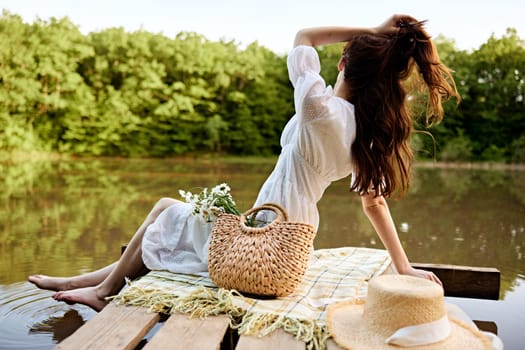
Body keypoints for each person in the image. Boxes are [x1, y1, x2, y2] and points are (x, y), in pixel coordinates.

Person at [28, 14, 459, 311]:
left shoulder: (318, 108)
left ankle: (101, 290)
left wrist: (372, 29)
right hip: (291, 252)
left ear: (344, 62)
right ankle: (76, 282)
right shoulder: (367, 133)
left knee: (165, 208)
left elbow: (304, 37)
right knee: (177, 229)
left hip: (262, 242)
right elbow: (374, 204)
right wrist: (405, 267)